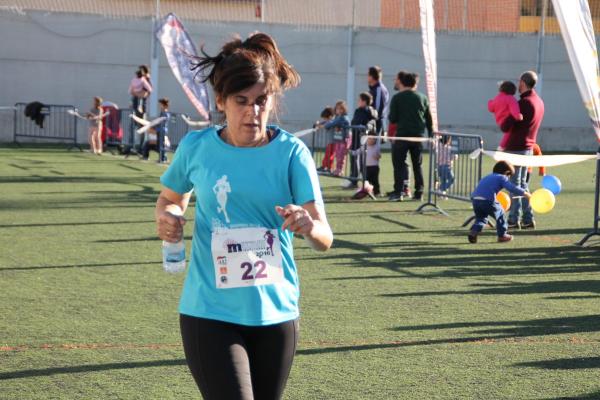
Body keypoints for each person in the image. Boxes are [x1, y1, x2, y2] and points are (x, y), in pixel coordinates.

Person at [154, 32, 333, 400]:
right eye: (242, 101)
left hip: (276, 313)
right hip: (209, 311)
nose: (253, 112)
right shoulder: (197, 148)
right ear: (221, 100)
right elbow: (170, 200)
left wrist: (308, 226)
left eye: (261, 101)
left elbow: (325, 238)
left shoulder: (292, 154)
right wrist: (169, 217)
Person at [500, 71, 545, 230]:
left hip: (517, 148)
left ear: (523, 83)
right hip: (528, 148)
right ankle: (528, 218)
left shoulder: (524, 103)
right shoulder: (539, 101)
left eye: (519, 81)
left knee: (514, 185)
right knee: (522, 185)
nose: (517, 85)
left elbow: (506, 125)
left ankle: (513, 219)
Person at [387, 71, 433, 202]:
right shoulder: (423, 98)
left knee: (399, 165)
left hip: (402, 136)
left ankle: (398, 192)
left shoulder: (397, 98)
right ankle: (419, 192)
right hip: (418, 136)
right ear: (415, 83)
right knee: (417, 165)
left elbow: (393, 118)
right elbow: (429, 119)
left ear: (403, 82)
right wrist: (431, 135)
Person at [468, 160, 531, 244]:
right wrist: (525, 193)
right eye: (509, 176)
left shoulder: (488, 176)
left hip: (475, 199)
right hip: (488, 200)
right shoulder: (502, 177)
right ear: (506, 172)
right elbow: (512, 188)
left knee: (481, 218)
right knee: (501, 215)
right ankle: (502, 235)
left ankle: (474, 231)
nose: (508, 178)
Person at [347, 92, 378, 189]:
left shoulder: (369, 111)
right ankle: (354, 180)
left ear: (364, 101)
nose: (358, 102)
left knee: (362, 162)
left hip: (363, 141)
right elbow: (354, 122)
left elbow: (371, 123)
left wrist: (365, 128)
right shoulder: (358, 111)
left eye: (359, 100)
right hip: (356, 139)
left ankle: (366, 181)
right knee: (354, 160)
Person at [488, 80, 523, 151]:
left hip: (500, 122)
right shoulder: (510, 98)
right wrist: (519, 116)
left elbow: (491, 108)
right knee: (510, 132)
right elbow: (515, 112)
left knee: (508, 133)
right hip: (507, 121)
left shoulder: (497, 98)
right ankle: (501, 146)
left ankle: (502, 146)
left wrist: (490, 102)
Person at [318, 100, 350, 176]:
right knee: (338, 155)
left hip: (344, 139)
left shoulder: (343, 118)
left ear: (344, 109)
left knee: (341, 156)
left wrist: (323, 126)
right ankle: (337, 169)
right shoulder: (337, 117)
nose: (338, 110)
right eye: (337, 108)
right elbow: (331, 121)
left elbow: (332, 123)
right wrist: (321, 123)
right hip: (338, 139)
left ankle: (340, 171)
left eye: (340, 108)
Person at [367, 66, 389, 135]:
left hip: (376, 125)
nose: (367, 77)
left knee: (373, 145)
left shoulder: (379, 89)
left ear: (372, 76)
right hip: (372, 124)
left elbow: (378, 110)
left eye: (368, 75)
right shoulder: (374, 89)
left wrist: (372, 124)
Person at [314, 106, 335, 173]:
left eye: (325, 118)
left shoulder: (332, 122)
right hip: (329, 142)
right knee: (327, 154)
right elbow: (323, 123)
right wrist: (317, 124)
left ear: (330, 117)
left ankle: (329, 168)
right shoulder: (328, 121)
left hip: (333, 142)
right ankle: (324, 166)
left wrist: (319, 125)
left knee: (330, 155)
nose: (324, 120)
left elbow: (326, 125)